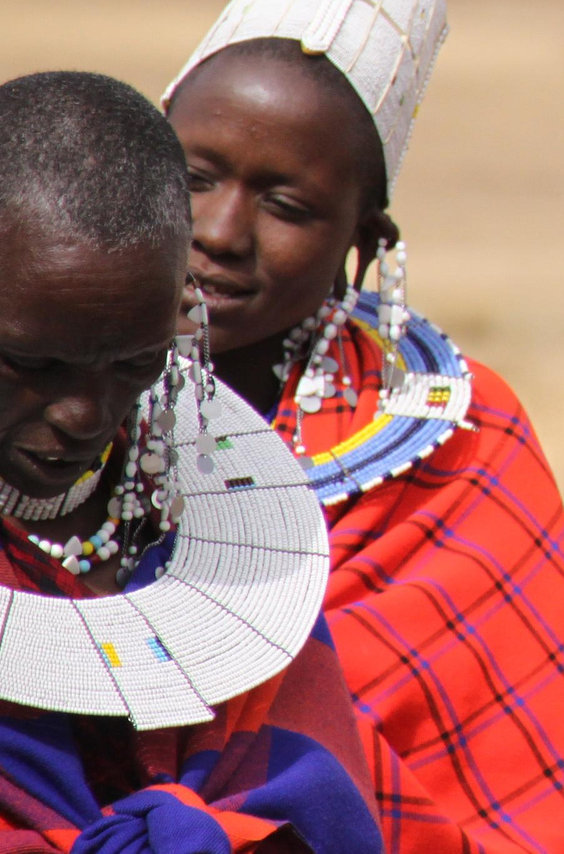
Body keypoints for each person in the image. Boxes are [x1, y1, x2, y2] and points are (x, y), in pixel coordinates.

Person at [162, 0, 564, 854]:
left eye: (287, 204)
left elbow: (516, 797)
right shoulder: (44, 385)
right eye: (193, 176)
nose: (222, 230)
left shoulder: (460, 442)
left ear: (363, 244)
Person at [1, 70, 382, 854]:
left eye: (136, 363)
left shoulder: (223, 546)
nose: (84, 415)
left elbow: (314, 802)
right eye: (33, 363)